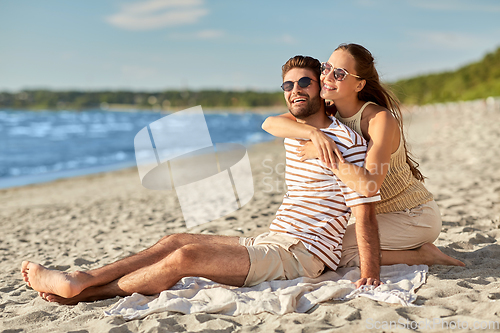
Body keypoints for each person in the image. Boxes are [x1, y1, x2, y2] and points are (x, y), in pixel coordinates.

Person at [20, 55, 384, 305]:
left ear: (320, 87)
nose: (295, 91)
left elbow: (364, 211)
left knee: (187, 256)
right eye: (287, 85)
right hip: (273, 237)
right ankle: (85, 277)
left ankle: (84, 292)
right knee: (175, 239)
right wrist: (311, 134)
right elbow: (271, 122)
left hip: (300, 255)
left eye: (304, 82)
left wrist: (370, 274)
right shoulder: (295, 131)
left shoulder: (346, 143)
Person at [262, 44, 465, 269]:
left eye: (339, 74)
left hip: (411, 215)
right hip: (375, 216)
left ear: (359, 84)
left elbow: (369, 185)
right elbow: (269, 123)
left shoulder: (378, 119)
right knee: (325, 247)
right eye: (326, 68)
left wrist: (324, 155)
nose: (327, 76)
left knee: (331, 253)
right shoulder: (330, 110)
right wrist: (313, 133)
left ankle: (424, 256)